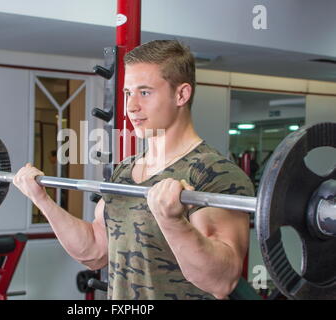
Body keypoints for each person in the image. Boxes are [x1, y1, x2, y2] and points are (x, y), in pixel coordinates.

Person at [13, 40, 254, 300]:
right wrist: (42, 200)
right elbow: (95, 251)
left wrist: (172, 222)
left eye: (145, 92)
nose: (131, 107)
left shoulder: (216, 173)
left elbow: (221, 282)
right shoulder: (125, 170)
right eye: (128, 93)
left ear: (181, 95)